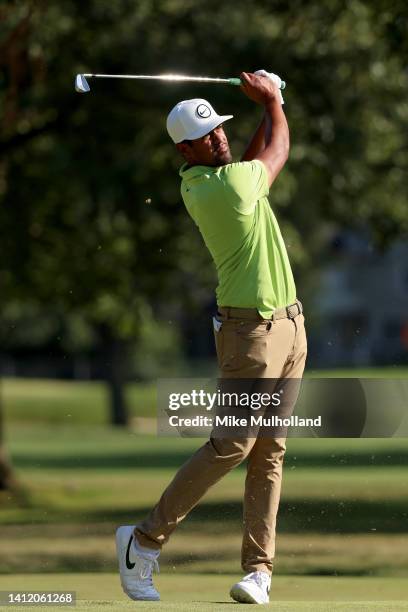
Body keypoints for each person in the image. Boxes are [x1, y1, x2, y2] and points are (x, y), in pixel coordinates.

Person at [116, 71, 307, 605]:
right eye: (207, 136)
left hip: (290, 327)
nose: (219, 136)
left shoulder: (220, 178)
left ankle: (258, 571)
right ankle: (143, 541)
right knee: (233, 445)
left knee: (269, 452)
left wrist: (271, 105)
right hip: (252, 333)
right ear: (185, 148)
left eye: (220, 128)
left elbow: (249, 159)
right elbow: (278, 147)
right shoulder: (220, 188)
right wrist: (274, 102)